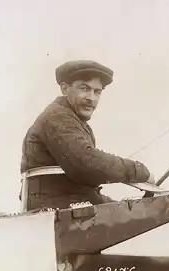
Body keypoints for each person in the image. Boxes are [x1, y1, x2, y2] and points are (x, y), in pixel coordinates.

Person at [20, 60, 155, 211]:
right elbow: (85, 163)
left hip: (70, 206)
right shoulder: (57, 118)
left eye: (97, 92)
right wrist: (139, 171)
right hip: (56, 214)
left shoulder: (73, 120)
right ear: (65, 89)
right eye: (84, 89)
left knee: (132, 210)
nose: (91, 98)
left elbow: (83, 186)